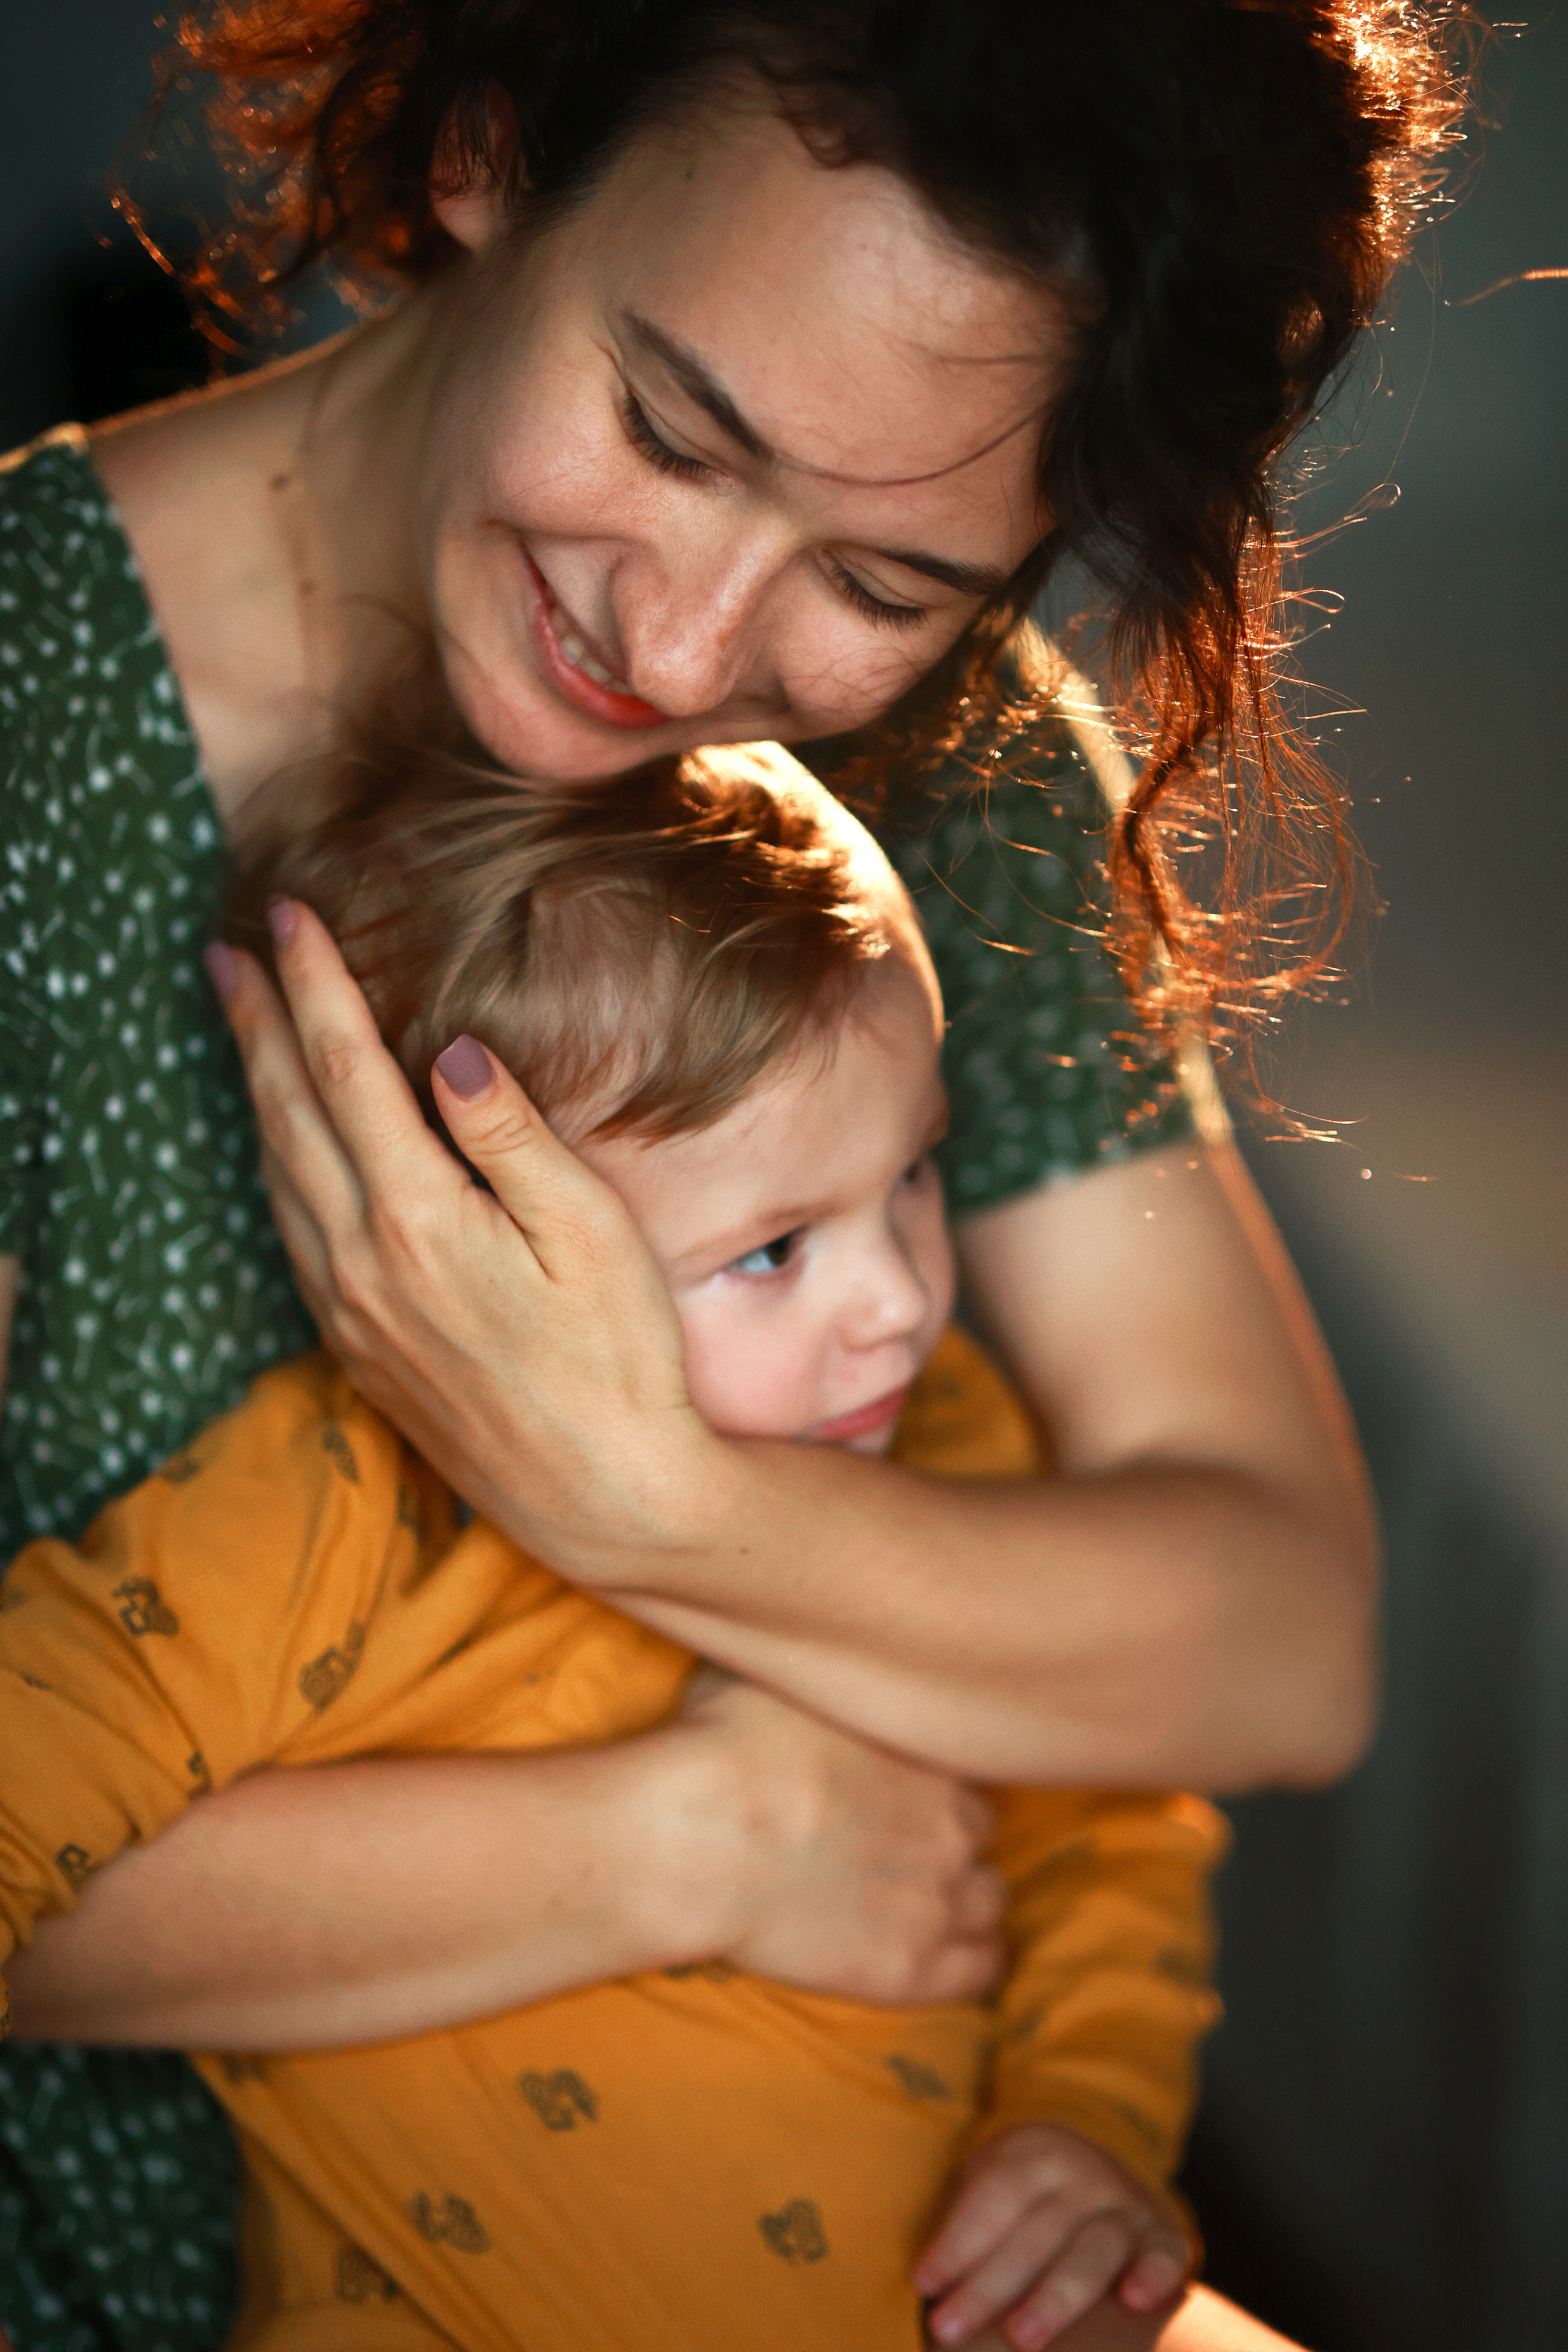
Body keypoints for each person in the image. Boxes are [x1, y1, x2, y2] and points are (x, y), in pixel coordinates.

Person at [0, 5, 1463, 2347]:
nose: (688, 647)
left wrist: (644, 1501)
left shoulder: (952, 762)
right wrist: (696, 1842)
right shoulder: (20, 718)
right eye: (672, 428)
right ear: (487, 139)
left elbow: (1274, 1645)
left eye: (882, 582)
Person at [2, 745, 1227, 2351]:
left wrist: (1086, 2125)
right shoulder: (329, 1505)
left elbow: (1102, 1827)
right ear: (474, 1260)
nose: (906, 1303)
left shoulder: (951, 1442)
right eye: (775, 1248)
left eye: (914, 1174)